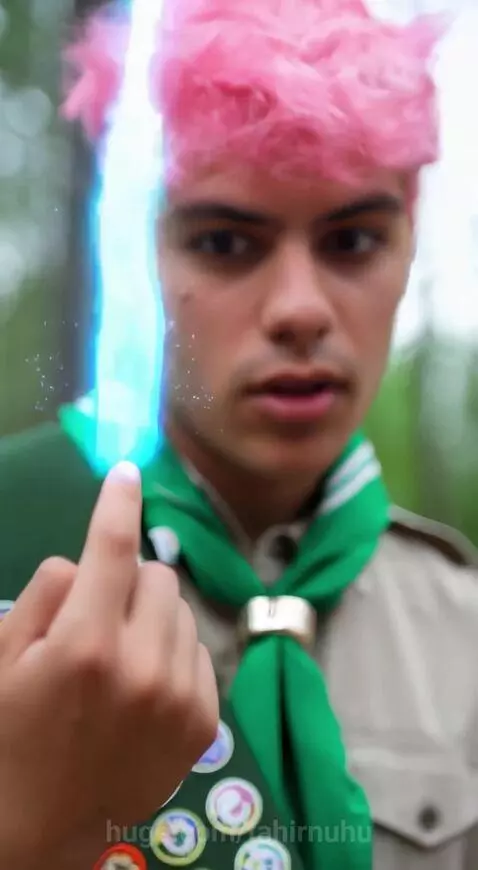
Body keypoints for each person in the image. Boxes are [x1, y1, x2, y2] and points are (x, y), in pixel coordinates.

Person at [1, 0, 478, 868]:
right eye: (226, 241)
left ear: (410, 240)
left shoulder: (463, 626)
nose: (300, 310)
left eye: (354, 239)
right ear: (137, 250)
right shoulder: (15, 533)